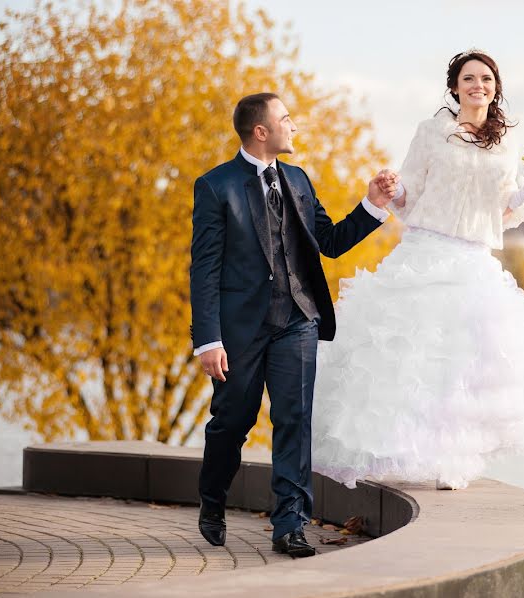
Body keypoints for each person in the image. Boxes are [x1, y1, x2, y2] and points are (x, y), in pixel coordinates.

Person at [312, 50, 524, 491]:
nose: (477, 85)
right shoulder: (431, 132)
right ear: (454, 86)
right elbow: (411, 190)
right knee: (409, 360)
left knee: (461, 366)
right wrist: (393, 187)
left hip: (474, 260)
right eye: (469, 78)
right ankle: (395, 452)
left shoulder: (506, 144)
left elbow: (500, 205)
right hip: (426, 252)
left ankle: (451, 461)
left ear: (496, 86)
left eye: (486, 78)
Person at [189, 92, 395, 557]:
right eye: (285, 119)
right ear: (260, 132)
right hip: (239, 330)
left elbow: (330, 241)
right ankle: (212, 500)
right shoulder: (215, 186)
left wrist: (373, 204)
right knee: (231, 422)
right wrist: (208, 339)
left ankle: (290, 525)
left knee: (294, 421)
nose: (293, 126)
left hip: (298, 320)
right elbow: (204, 268)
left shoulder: (299, 180)